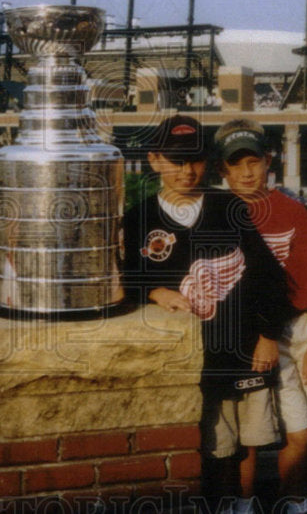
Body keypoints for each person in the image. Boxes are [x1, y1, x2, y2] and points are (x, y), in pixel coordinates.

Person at [121, 115, 289, 514]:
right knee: (207, 443)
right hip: (182, 363)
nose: (186, 171)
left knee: (243, 445)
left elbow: (267, 275)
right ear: (154, 160)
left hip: (239, 349)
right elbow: (122, 277)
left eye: (195, 160)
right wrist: (154, 290)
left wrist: (267, 335)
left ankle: (244, 507)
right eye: (175, 160)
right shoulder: (139, 217)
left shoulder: (228, 206)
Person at [214, 119, 307, 514]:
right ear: (223, 170)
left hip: (304, 328)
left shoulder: (292, 212)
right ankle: (284, 502)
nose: (246, 172)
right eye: (235, 165)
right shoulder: (219, 215)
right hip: (255, 334)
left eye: (253, 161)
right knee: (276, 431)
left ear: (268, 161)